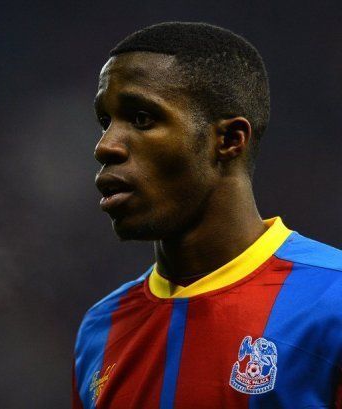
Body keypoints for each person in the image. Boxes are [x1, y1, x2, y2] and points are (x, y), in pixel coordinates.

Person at [72, 22, 342, 409]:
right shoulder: (100, 329)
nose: (105, 146)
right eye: (105, 122)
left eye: (142, 118)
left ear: (229, 140)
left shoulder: (333, 301)